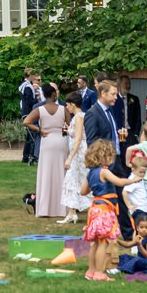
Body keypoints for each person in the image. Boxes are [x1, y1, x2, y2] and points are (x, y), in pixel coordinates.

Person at [81, 138, 127, 280]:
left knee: (95, 242)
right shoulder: (104, 171)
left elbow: (83, 191)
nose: (112, 159)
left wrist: (94, 185)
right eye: (110, 156)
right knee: (103, 242)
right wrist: (134, 179)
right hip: (104, 210)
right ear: (103, 156)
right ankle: (100, 273)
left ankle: (91, 270)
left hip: (94, 209)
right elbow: (119, 182)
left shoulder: (91, 173)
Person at [59, 95, 90, 226]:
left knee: (80, 180)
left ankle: (84, 211)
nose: (67, 107)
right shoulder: (78, 117)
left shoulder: (78, 117)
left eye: (67, 104)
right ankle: (72, 212)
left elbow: (78, 138)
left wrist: (70, 158)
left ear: (72, 104)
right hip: (78, 151)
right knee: (73, 181)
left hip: (79, 153)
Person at [17, 68, 44, 164]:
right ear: (30, 75)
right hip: (28, 113)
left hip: (26, 112)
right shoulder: (28, 86)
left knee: (29, 136)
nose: (35, 77)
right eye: (34, 75)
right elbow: (29, 101)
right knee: (32, 136)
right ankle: (32, 157)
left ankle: (25, 157)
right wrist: (37, 101)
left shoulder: (24, 85)